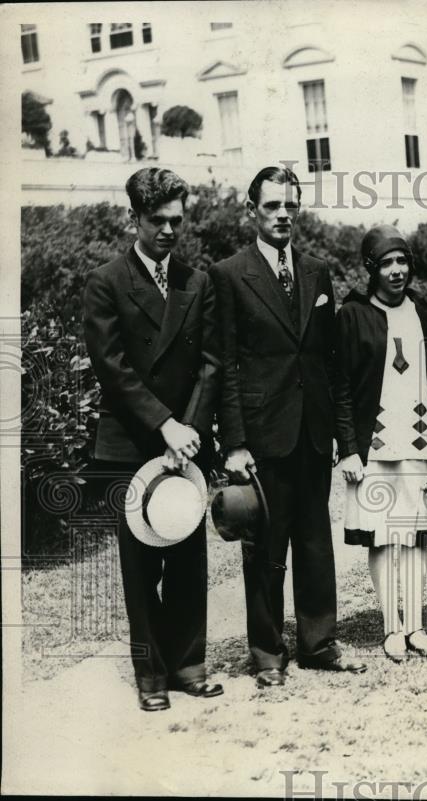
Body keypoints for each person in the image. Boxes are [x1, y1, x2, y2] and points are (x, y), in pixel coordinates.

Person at [209, 166, 365, 686]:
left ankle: (319, 644)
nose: (282, 216)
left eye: (290, 206)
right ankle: (268, 653)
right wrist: (233, 443)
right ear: (252, 209)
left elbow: (330, 363)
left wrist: (346, 441)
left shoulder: (318, 271)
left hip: (314, 434)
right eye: (272, 206)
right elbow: (225, 365)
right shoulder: (229, 274)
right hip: (263, 435)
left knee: (317, 543)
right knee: (265, 549)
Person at [82, 167, 222, 710]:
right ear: (134, 218)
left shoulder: (197, 281)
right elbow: (112, 368)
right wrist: (163, 424)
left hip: (185, 441)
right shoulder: (106, 281)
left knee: (187, 554)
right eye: (157, 221)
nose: (168, 231)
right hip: (133, 441)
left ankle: (187, 663)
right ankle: (151, 674)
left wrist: (186, 431)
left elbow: (211, 364)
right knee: (141, 564)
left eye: (176, 221)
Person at [332, 225, 427, 662]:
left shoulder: (424, 312)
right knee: (384, 538)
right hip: (375, 448)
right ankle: (391, 629)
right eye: (386, 262)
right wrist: (348, 447)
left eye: (402, 260)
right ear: (371, 267)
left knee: (418, 536)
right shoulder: (352, 315)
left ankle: (417, 627)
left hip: (421, 444)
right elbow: (342, 387)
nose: (397, 270)